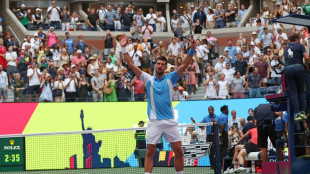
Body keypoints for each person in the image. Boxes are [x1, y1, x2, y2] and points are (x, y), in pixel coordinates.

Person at [120, 33, 195, 174]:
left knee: (178, 150)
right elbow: (130, 64)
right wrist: (124, 48)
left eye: (162, 64)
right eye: (158, 64)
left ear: (165, 67)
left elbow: (185, 64)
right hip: (154, 122)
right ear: (155, 66)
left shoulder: (171, 78)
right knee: (150, 152)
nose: (159, 66)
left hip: (169, 121)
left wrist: (191, 50)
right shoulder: (148, 78)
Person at [284, 33, 309, 119]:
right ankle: (303, 112)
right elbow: (307, 57)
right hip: (298, 68)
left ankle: (297, 113)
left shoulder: (286, 48)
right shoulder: (300, 46)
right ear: (297, 39)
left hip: (288, 70)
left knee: (293, 92)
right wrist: (307, 66)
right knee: (301, 91)